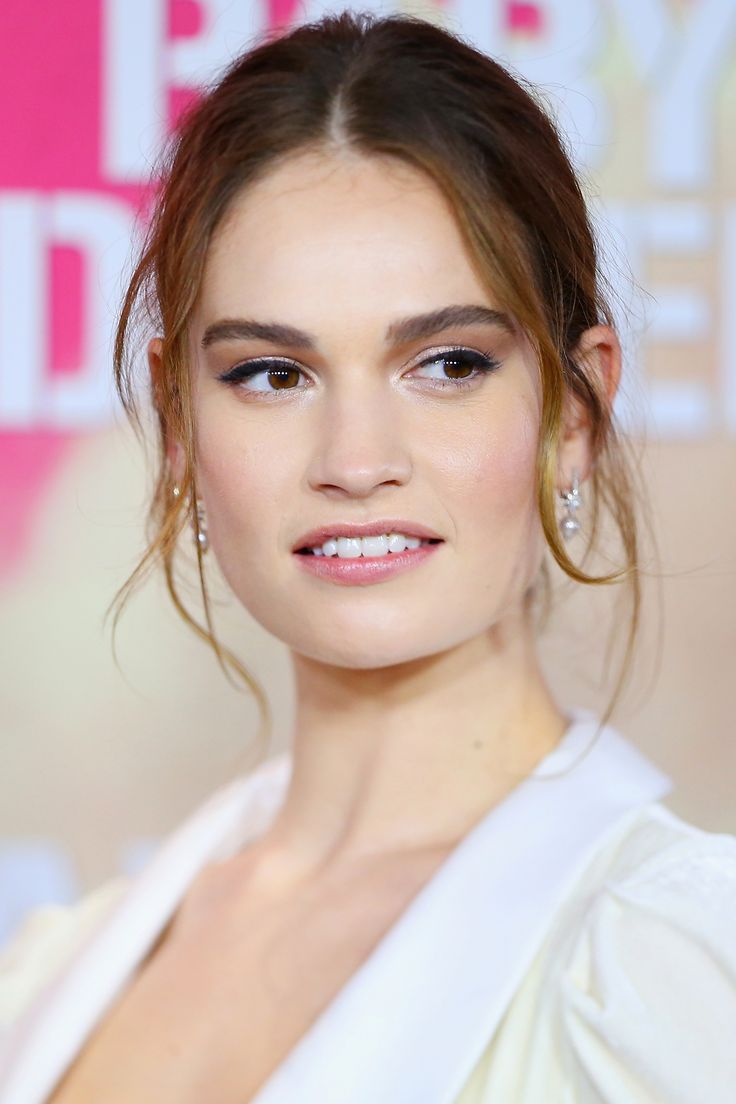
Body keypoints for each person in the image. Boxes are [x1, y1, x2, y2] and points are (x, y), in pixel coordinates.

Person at [1, 9, 734, 1103]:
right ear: (180, 419)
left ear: (573, 413)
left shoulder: (661, 964)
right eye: (270, 374)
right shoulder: (55, 973)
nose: (355, 461)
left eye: (445, 363)